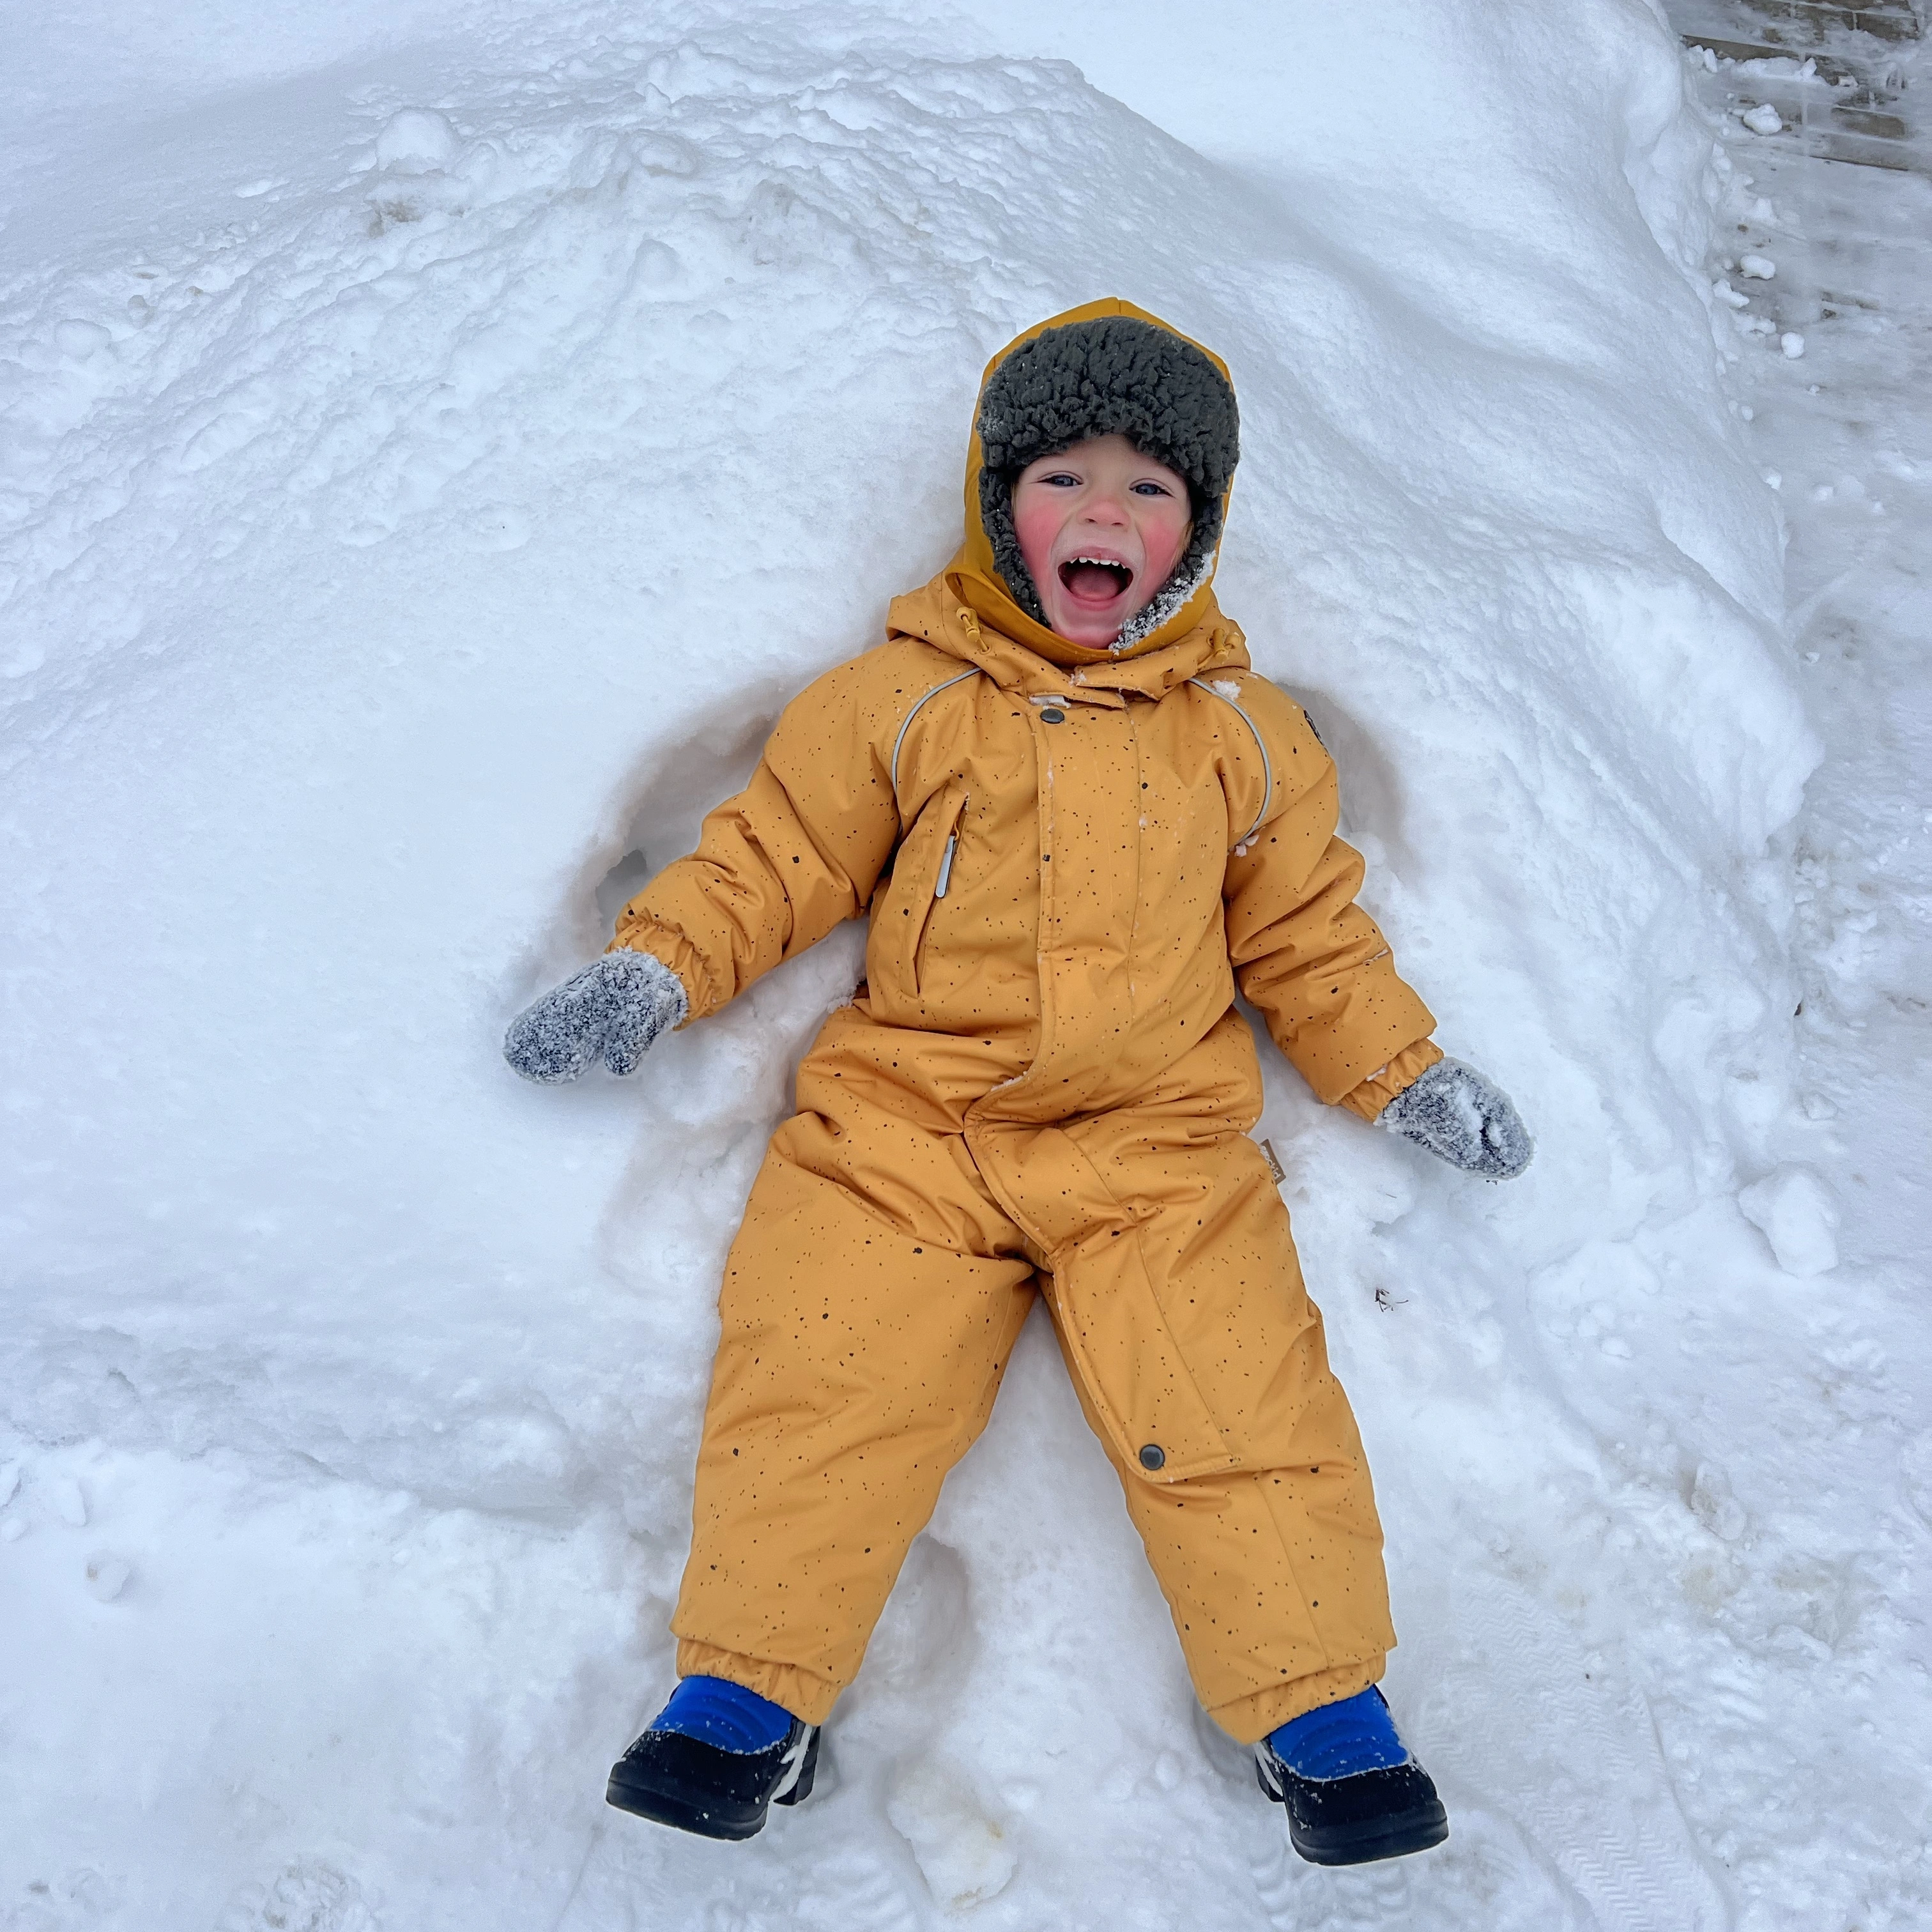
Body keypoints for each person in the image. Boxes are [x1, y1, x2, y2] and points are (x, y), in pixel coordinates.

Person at [504, 298, 1531, 1866]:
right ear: (998, 508)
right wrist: (656, 972)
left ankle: (1321, 1710)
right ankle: (744, 1696)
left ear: (1197, 533)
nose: (1104, 512)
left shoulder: (1244, 741)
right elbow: (775, 861)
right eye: (1063, 477)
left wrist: (1400, 1074)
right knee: (828, 1377)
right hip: (909, 1137)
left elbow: (1311, 938)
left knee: (1242, 1396)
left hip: (1159, 1153)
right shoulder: (900, 701)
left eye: (1151, 488)